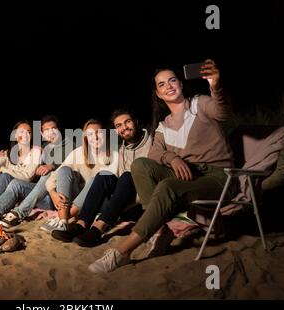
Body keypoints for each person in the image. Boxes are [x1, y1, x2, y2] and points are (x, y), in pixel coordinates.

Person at [89, 59, 234, 273]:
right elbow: (155, 153)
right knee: (140, 165)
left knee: (167, 186)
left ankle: (123, 252)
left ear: (181, 84)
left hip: (218, 177)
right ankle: (160, 230)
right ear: (158, 93)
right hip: (190, 175)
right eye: (162, 84)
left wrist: (215, 85)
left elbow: (223, 112)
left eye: (172, 80)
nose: (168, 86)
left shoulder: (199, 104)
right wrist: (173, 159)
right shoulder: (164, 125)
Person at [52, 108, 151, 246]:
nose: (124, 127)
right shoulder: (123, 150)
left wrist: (116, 206)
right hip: (117, 201)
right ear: (116, 130)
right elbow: (116, 184)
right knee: (104, 175)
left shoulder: (153, 144)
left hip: (137, 204)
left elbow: (144, 185)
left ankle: (97, 230)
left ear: (136, 122)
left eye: (127, 122)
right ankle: (81, 225)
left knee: (128, 176)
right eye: (119, 125)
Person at [0, 115, 75, 228]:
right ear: (42, 134)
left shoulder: (70, 145)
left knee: (49, 173)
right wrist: (4, 153)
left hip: (60, 196)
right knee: (16, 184)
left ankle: (19, 213)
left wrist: (52, 165)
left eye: (54, 128)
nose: (51, 132)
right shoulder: (43, 148)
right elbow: (25, 152)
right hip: (43, 196)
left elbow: (69, 167)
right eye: (46, 130)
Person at [47, 119, 119, 235]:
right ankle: (64, 222)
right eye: (90, 134)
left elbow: (113, 186)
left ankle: (65, 216)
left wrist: (68, 211)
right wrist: (53, 193)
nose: (95, 137)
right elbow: (54, 175)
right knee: (64, 170)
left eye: (99, 133)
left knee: (95, 179)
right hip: (77, 200)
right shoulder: (78, 153)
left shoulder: (114, 155)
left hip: (100, 202)